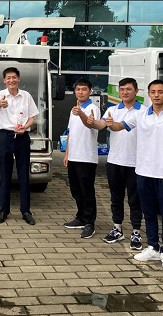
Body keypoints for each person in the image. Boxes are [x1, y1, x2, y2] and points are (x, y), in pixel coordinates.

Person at [115, 79, 163, 271]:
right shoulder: (141, 115)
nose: (156, 95)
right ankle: (153, 247)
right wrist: (101, 122)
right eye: (153, 92)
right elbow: (118, 126)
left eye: (160, 92)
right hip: (144, 171)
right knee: (148, 212)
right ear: (148, 94)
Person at [89, 78, 145, 250]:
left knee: (135, 200)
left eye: (128, 89)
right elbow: (101, 124)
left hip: (136, 163)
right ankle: (117, 228)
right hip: (114, 161)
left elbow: (116, 127)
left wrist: (111, 125)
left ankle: (136, 232)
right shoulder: (112, 109)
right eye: (122, 89)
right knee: (116, 198)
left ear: (136, 91)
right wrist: (91, 121)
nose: (124, 92)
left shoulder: (144, 111)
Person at [0, 67, 39, 225]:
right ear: (4, 80)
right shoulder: (0, 94)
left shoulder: (26, 96)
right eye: (8, 78)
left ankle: (26, 211)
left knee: (24, 174)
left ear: (19, 79)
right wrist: (0, 103)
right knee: (5, 174)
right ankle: (3, 211)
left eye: (14, 77)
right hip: (5, 137)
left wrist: (25, 127)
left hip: (22, 137)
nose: (11, 80)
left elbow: (32, 117)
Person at [63, 78, 102, 239]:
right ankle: (80, 217)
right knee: (76, 189)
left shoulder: (93, 108)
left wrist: (81, 114)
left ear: (90, 91)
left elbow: (90, 124)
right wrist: (67, 153)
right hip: (74, 156)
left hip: (87, 157)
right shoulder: (73, 109)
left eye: (84, 89)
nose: (80, 92)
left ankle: (90, 222)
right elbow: (70, 133)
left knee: (87, 190)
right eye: (78, 89)